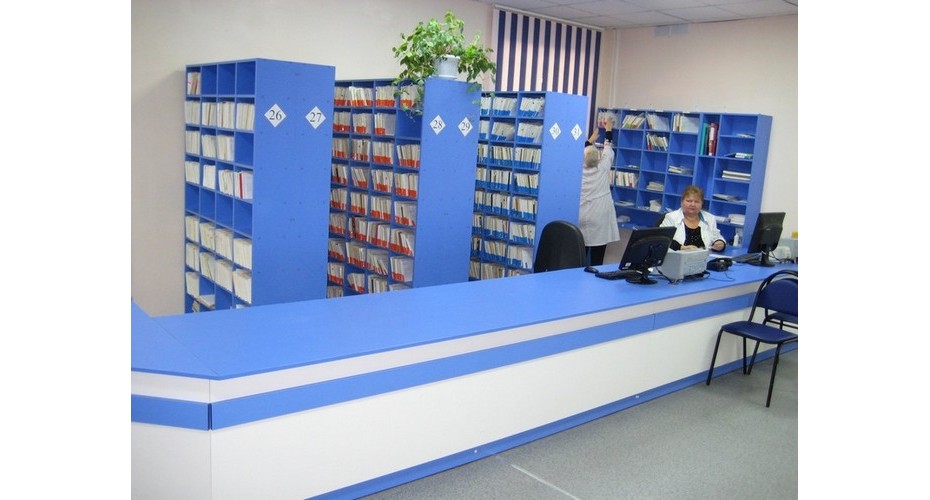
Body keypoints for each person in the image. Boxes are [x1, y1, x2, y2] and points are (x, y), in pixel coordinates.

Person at [578, 118, 620, 266]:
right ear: (598, 158)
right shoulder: (603, 167)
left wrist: (589, 140)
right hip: (600, 216)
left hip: (582, 214)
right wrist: (608, 129)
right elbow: (608, 148)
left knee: (580, 251)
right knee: (598, 255)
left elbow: (580, 154)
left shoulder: (578, 171)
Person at [660, 185, 727, 252]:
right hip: (678, 256)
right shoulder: (671, 217)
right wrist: (681, 247)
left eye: (697, 202)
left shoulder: (709, 218)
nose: (693, 204)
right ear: (682, 202)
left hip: (703, 256)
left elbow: (717, 236)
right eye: (689, 201)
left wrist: (720, 243)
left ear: (702, 204)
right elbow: (662, 238)